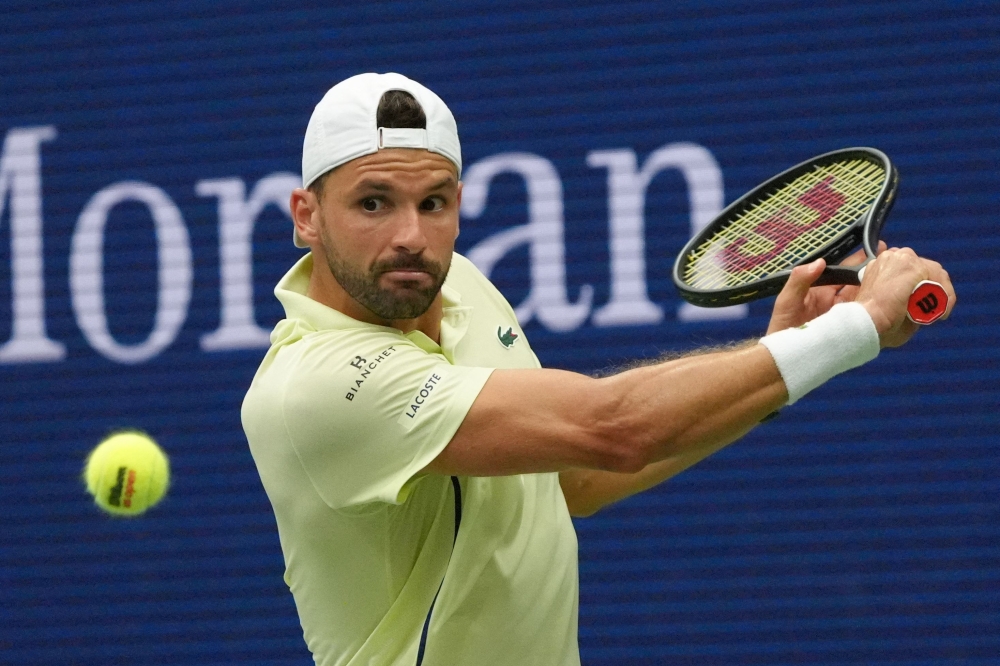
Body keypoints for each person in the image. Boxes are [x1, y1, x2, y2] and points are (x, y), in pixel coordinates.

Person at [241, 72, 955, 666]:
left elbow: (574, 481)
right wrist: (857, 327)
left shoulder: (458, 283)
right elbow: (612, 428)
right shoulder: (316, 388)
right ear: (307, 216)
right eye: (373, 203)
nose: (411, 237)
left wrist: (785, 352)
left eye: (434, 204)